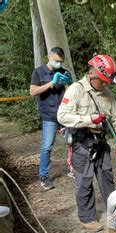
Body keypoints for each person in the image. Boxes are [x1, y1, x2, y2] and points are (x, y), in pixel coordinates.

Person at [58, 54, 116, 232]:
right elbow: (62, 116)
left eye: (107, 82)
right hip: (82, 142)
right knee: (84, 180)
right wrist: (89, 119)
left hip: (100, 142)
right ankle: (87, 218)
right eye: (103, 81)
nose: (105, 84)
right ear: (92, 74)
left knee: (107, 178)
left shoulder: (107, 94)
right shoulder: (76, 90)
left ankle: (115, 214)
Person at [30, 47, 73, 190]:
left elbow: (72, 94)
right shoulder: (38, 72)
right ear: (49, 57)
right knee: (47, 146)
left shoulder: (63, 72)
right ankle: (44, 177)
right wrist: (51, 83)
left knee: (74, 142)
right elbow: (33, 91)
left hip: (65, 113)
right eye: (56, 61)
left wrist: (69, 84)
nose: (59, 64)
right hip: (49, 115)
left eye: (61, 62)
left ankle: (72, 169)